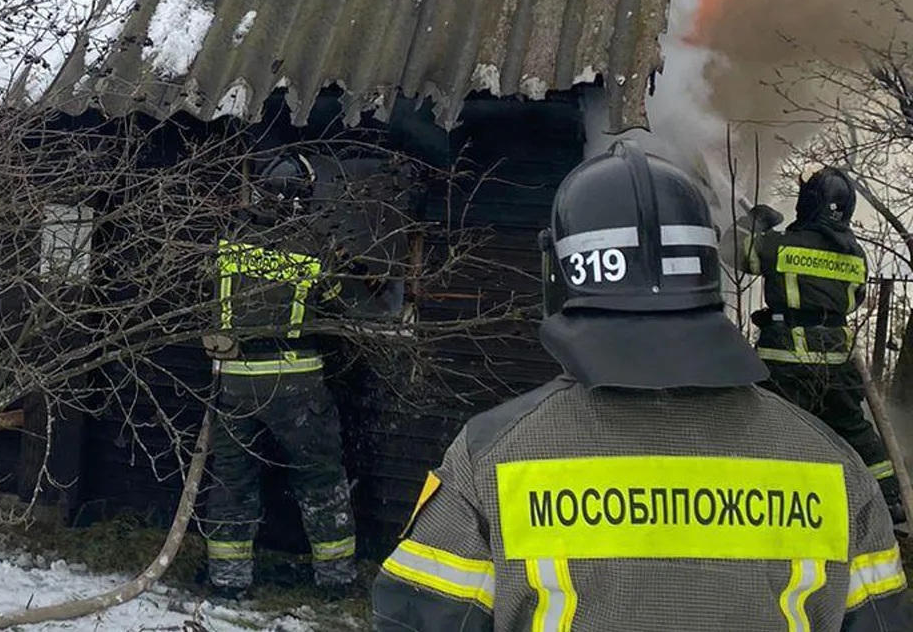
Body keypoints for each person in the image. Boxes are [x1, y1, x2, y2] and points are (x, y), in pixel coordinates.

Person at [372, 140, 909, 632]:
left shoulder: (487, 457)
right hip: (828, 369)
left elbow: (418, 620)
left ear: (556, 271)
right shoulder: (837, 469)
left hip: (784, 355)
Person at [199, 151, 359, 602]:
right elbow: (339, 304)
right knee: (320, 479)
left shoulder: (228, 240)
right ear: (303, 197)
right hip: (296, 385)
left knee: (232, 481)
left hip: (233, 383)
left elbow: (202, 291)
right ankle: (336, 581)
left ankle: (229, 583)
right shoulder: (313, 246)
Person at [724, 164, 905, 525]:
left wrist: (755, 220)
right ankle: (890, 501)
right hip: (837, 362)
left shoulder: (783, 247)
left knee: (769, 428)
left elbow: (732, 250)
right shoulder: (854, 255)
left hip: (785, 362)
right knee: (853, 428)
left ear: (809, 203)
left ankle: (759, 501)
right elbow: (853, 301)